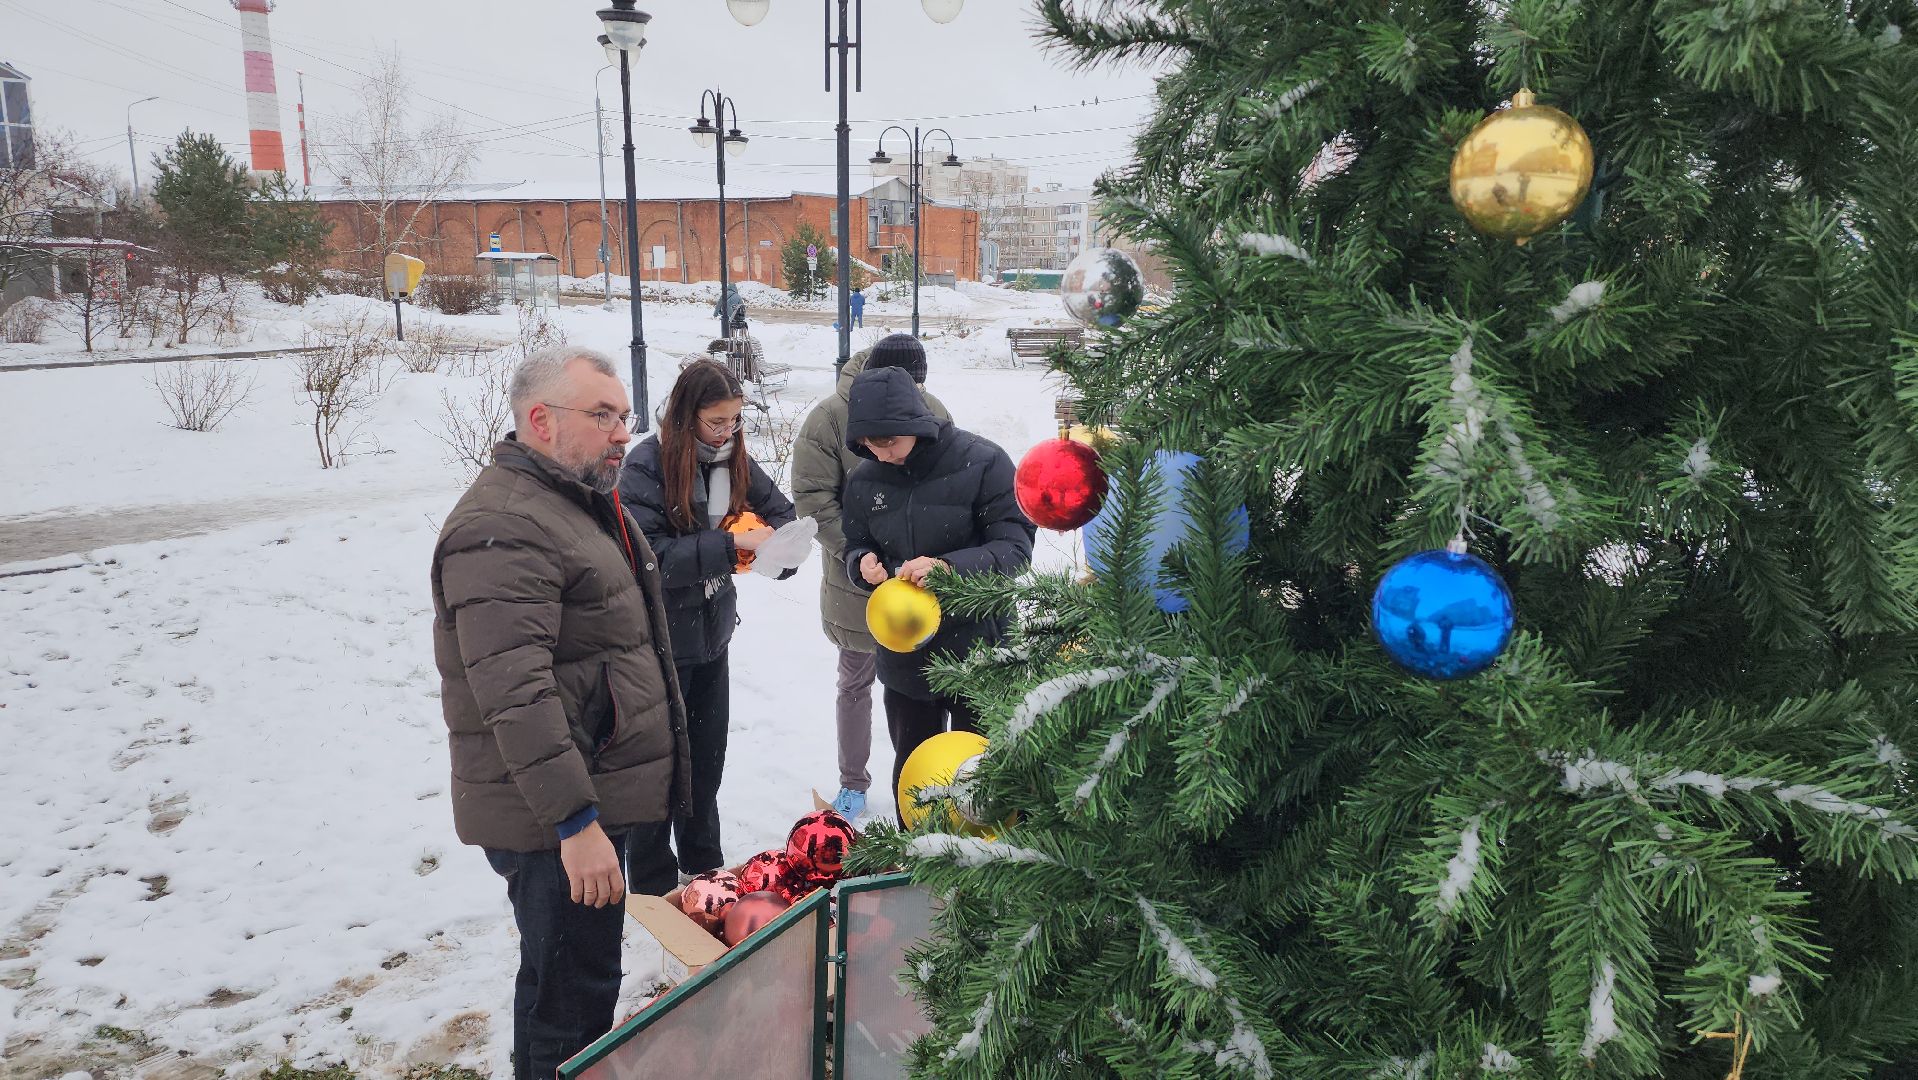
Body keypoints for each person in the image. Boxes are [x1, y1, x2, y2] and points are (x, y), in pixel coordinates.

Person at [430, 344, 690, 1080]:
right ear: (540, 420)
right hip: (553, 819)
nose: (622, 435)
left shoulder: (573, 502)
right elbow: (514, 690)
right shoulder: (507, 525)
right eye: (603, 415)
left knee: (567, 987)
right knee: (570, 1005)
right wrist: (576, 824)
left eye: (625, 417)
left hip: (583, 797)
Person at [619, 359, 796, 883]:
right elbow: (649, 556)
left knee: (705, 761)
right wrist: (729, 545)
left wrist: (774, 548)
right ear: (686, 413)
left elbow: (781, 512)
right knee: (659, 766)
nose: (728, 433)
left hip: (712, 636)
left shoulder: (733, 456)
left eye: (735, 421)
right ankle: (651, 881)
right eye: (717, 422)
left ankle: (704, 867)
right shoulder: (647, 464)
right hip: (658, 644)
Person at [838, 365, 1034, 821]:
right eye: (868, 445)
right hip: (906, 659)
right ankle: (915, 867)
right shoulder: (867, 481)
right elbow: (857, 540)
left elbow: (1015, 548)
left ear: (915, 425)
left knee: (982, 778)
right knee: (916, 776)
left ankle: (988, 876)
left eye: (888, 442)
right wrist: (860, 563)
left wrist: (949, 569)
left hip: (981, 654)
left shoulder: (983, 462)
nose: (880, 454)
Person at [791, 334, 951, 822]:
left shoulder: (932, 409)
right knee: (856, 682)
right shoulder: (827, 419)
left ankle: (934, 780)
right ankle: (853, 782)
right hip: (856, 583)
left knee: (926, 686)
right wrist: (861, 552)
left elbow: (950, 486)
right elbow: (815, 499)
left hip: (920, 586)